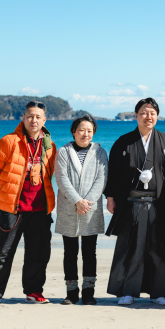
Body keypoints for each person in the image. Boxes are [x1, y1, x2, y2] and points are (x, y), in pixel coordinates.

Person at [0, 101, 58, 307]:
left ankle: (33, 292)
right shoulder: (9, 141)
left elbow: (50, 176)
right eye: (30, 116)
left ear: (44, 120)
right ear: (23, 118)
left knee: (38, 253)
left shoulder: (50, 146)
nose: (34, 120)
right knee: (2, 253)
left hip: (41, 208)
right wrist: (5, 193)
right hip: (13, 208)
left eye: (38, 117)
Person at [105, 97, 165, 305]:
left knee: (160, 248)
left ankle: (160, 293)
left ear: (157, 116)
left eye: (152, 113)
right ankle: (128, 291)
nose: (148, 117)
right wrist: (110, 198)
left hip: (159, 203)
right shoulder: (123, 142)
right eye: (144, 112)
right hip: (131, 204)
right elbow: (113, 173)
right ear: (136, 115)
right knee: (131, 248)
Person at [54, 114, 108, 305]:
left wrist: (87, 202)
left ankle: (88, 292)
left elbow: (102, 179)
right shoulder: (63, 152)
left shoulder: (100, 152)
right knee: (69, 252)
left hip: (90, 209)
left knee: (89, 252)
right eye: (82, 130)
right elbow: (61, 178)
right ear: (74, 132)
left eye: (90, 131)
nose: (86, 134)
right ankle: (71, 292)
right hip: (69, 207)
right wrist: (77, 201)